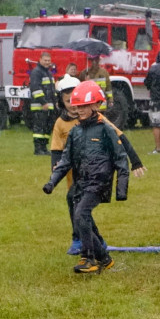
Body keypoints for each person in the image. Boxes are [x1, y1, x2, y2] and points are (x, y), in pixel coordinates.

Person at [50, 75, 145, 256]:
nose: (73, 105)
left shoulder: (100, 121)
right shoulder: (61, 124)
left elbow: (119, 138)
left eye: (76, 100)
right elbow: (56, 149)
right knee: (78, 207)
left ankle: (85, 243)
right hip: (76, 175)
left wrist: (135, 161)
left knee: (80, 209)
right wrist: (54, 170)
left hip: (94, 176)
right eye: (68, 101)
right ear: (61, 102)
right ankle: (92, 240)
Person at [44, 81, 129, 275]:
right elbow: (65, 160)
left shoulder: (105, 130)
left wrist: (121, 188)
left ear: (96, 106)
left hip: (99, 183)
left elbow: (121, 158)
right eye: (77, 106)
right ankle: (105, 258)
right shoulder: (75, 132)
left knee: (81, 215)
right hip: (81, 183)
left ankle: (88, 257)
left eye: (83, 106)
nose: (79, 110)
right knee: (83, 219)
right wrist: (52, 181)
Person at [28, 51, 58, 155]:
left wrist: (55, 102)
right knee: (39, 128)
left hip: (49, 106)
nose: (47, 62)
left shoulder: (48, 73)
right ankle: (38, 149)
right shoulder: (36, 72)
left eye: (49, 61)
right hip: (39, 106)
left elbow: (52, 90)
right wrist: (43, 102)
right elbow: (35, 89)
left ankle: (44, 147)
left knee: (47, 128)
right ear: (40, 60)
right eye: (45, 60)